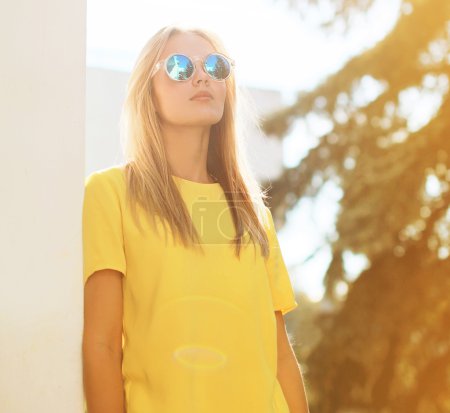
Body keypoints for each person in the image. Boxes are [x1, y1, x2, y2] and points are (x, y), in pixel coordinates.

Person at [82, 24, 310, 413]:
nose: (202, 75)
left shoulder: (252, 213)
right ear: (148, 94)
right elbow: (101, 346)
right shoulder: (112, 193)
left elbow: (280, 355)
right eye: (179, 67)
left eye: (216, 66)